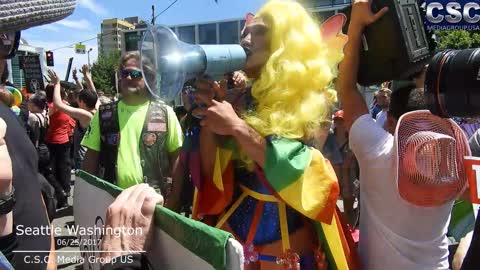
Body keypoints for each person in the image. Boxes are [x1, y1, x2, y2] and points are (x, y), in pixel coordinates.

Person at [191, 2, 357, 269]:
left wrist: (237, 128)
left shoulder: (315, 100)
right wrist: (210, 113)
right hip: (234, 243)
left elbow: (305, 173)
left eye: (257, 32)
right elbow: (214, 174)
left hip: (288, 254)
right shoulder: (241, 99)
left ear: (285, 39)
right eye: (244, 32)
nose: (245, 39)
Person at [337, 1, 471, 269]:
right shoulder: (452, 161)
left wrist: (356, 25)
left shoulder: (377, 151)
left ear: (390, 120)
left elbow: (347, 90)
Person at [82, 52, 184, 211]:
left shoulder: (166, 113)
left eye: (136, 74)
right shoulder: (103, 114)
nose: (129, 77)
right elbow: (90, 161)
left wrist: (173, 202)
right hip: (112, 204)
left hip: (156, 207)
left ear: (149, 78)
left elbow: (177, 159)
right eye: (125, 73)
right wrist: (89, 201)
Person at [48, 69, 97, 170]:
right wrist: (88, 78)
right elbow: (94, 94)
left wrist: (57, 84)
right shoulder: (97, 109)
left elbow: (58, 104)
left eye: (78, 99)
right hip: (93, 157)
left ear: (82, 102)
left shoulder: (85, 115)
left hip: (83, 159)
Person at [45, 83, 75, 208]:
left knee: (53, 170)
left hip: (53, 141)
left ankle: (60, 196)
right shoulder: (65, 106)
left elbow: (46, 119)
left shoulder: (52, 107)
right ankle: (64, 194)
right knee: (64, 169)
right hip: (65, 141)